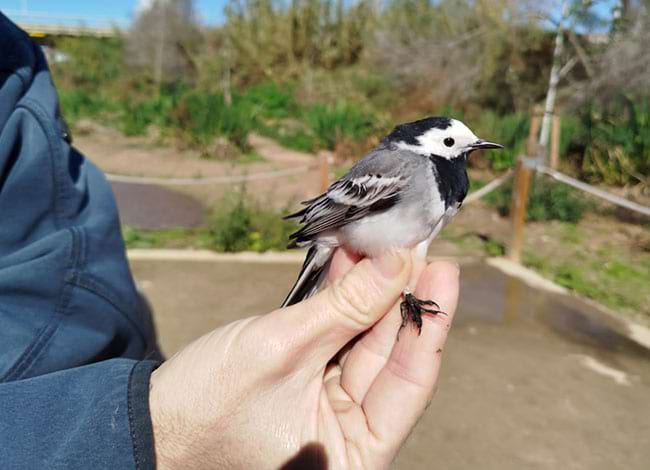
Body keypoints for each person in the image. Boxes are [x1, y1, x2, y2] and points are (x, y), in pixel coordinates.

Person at [0, 13, 459, 469]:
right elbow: (345, 210)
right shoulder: (407, 167)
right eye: (454, 140)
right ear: (430, 143)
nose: (467, 148)